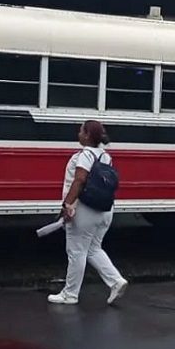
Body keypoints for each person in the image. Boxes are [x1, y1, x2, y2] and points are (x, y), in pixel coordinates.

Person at [48, 120, 128, 305]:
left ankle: (70, 294)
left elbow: (80, 180)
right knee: (93, 248)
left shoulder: (86, 155)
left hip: (85, 210)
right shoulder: (105, 156)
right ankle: (116, 281)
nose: (78, 134)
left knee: (76, 250)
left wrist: (67, 205)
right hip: (105, 210)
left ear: (87, 135)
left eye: (80, 131)